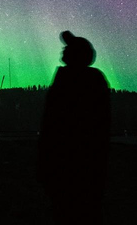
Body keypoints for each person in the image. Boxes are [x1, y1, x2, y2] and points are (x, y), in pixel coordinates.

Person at [38, 30, 111, 224]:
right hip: (83, 161)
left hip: (71, 160)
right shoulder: (93, 78)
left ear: (76, 54)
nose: (63, 50)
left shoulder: (72, 79)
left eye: (68, 48)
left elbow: (54, 121)